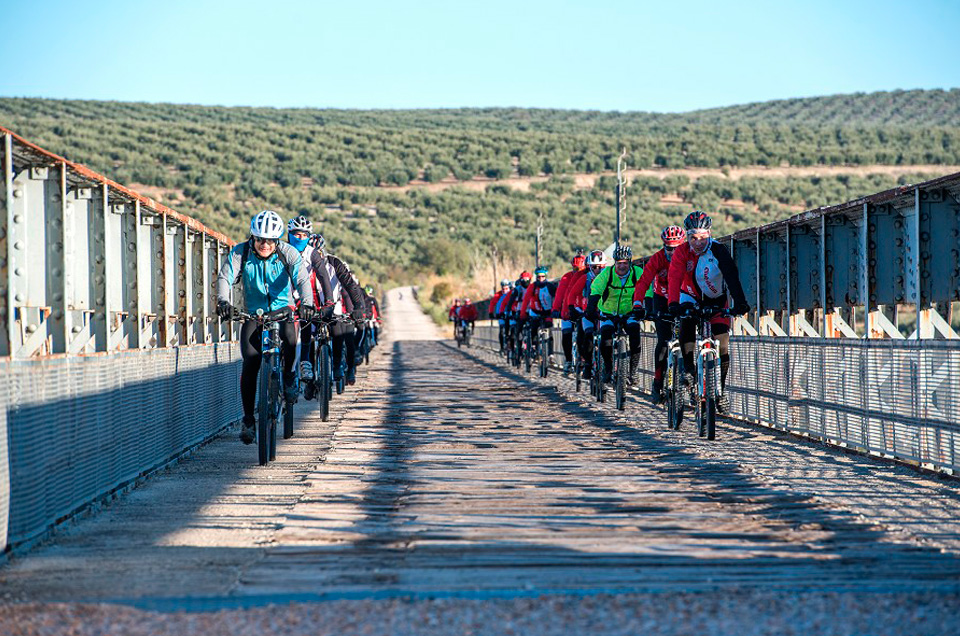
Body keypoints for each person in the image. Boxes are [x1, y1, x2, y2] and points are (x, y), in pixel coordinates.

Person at [216, 210, 315, 445]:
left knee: (291, 340)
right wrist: (223, 301)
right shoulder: (242, 252)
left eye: (270, 240)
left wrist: (308, 304)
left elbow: (301, 279)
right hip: (254, 313)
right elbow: (225, 277)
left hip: (283, 311)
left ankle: (290, 377)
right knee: (251, 362)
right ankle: (248, 419)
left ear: (277, 239)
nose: (264, 244)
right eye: (260, 239)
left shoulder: (288, 253)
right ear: (253, 237)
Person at [667, 211, 749, 415]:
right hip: (690, 295)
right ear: (687, 237)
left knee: (722, 343)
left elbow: (731, 276)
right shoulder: (682, 252)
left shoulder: (719, 251)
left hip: (717, 299)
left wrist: (740, 303)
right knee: (686, 321)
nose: (697, 243)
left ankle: (720, 392)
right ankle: (687, 370)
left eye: (702, 238)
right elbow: (674, 277)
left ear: (709, 234)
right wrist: (673, 303)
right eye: (693, 238)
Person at [632, 225, 686, 403]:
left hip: (684, 295)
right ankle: (657, 382)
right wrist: (638, 303)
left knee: (690, 337)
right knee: (663, 341)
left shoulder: (690, 256)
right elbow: (643, 282)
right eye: (668, 248)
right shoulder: (657, 259)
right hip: (661, 297)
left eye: (676, 248)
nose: (672, 252)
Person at [308, 233, 366, 387]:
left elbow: (350, 287)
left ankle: (339, 365)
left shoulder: (334, 263)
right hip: (309, 308)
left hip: (334, 307)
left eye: (318, 253)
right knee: (307, 338)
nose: (315, 257)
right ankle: (308, 377)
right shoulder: (301, 264)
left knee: (339, 332)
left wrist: (359, 307)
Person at [586, 245, 644, 385]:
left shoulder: (637, 272)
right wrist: (591, 308)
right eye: (619, 263)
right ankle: (608, 368)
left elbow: (646, 288)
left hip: (629, 312)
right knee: (606, 338)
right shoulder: (607, 273)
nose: (622, 266)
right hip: (608, 312)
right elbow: (596, 289)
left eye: (625, 263)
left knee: (635, 335)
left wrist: (645, 307)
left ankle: (632, 372)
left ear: (630, 262)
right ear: (615, 263)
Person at [563, 249, 606, 379]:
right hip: (587, 312)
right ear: (589, 267)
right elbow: (572, 294)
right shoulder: (585, 278)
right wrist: (571, 308)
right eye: (594, 267)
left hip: (603, 312)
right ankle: (587, 363)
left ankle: (610, 365)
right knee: (586, 335)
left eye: (600, 267)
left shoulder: (609, 277)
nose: (597, 270)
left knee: (607, 337)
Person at [286, 215, 317, 383]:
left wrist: (328, 302)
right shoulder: (279, 250)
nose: (300, 238)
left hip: (302, 296)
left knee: (306, 319)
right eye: (297, 234)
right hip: (282, 297)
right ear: (289, 234)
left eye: (304, 235)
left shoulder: (311, 254)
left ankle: (305, 360)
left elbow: (324, 279)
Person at [551, 251, 587, 372]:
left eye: (581, 268)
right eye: (576, 269)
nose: (578, 271)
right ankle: (568, 360)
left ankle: (585, 360)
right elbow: (560, 295)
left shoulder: (589, 276)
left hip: (583, 309)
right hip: (568, 310)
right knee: (566, 333)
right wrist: (556, 309)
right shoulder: (567, 277)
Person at [520, 266, 558, 352]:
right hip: (535, 312)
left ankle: (550, 354)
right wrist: (522, 314)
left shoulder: (550, 286)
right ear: (536, 277)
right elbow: (526, 300)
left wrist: (557, 310)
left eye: (543, 276)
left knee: (550, 331)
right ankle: (533, 346)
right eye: (538, 276)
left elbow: (557, 298)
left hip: (547, 312)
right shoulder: (532, 286)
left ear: (545, 276)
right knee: (534, 328)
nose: (541, 278)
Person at [489, 279, 512, 352]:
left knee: (512, 330)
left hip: (510, 314)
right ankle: (502, 347)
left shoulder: (512, 293)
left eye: (506, 288)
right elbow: (492, 304)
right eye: (503, 288)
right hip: (500, 315)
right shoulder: (498, 295)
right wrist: (491, 313)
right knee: (502, 331)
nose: (505, 290)